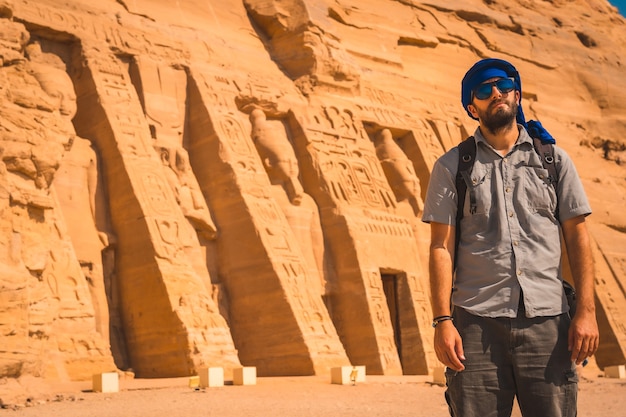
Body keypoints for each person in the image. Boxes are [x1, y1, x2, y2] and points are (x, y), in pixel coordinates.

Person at [422, 58, 599, 417]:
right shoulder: (452, 166)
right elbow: (440, 247)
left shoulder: (554, 161)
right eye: (484, 91)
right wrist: (443, 321)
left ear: (517, 94)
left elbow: (578, 236)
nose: (496, 94)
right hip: (476, 324)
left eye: (503, 85)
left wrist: (587, 311)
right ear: (473, 107)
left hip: (547, 321)